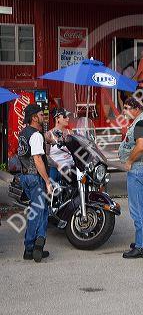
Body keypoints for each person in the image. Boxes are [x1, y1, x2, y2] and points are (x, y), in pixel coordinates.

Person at [119, 97, 143, 259]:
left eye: (126, 108)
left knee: (137, 208)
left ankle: (142, 247)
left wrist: (129, 161)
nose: (124, 111)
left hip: (138, 169)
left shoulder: (141, 123)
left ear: (136, 108)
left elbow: (140, 146)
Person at [17, 103, 52, 262]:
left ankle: (37, 244)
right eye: (41, 114)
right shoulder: (36, 135)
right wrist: (47, 181)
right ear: (34, 117)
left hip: (25, 176)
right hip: (35, 177)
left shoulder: (23, 133)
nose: (44, 116)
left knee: (39, 210)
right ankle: (32, 247)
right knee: (38, 213)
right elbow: (37, 159)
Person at [45, 107, 74, 182]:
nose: (68, 119)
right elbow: (46, 155)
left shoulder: (71, 132)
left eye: (68, 116)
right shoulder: (49, 135)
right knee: (52, 179)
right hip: (56, 167)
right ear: (57, 118)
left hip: (71, 166)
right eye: (65, 116)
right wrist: (57, 165)